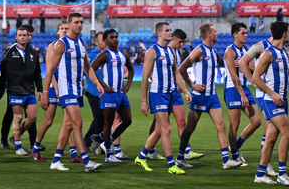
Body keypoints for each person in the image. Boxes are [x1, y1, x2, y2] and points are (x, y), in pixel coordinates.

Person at [175, 23, 243, 170]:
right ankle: (180, 157)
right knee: (190, 128)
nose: (217, 33)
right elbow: (181, 69)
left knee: (221, 125)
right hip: (199, 96)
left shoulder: (213, 51)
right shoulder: (199, 50)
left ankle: (226, 160)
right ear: (208, 34)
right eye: (215, 31)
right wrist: (192, 86)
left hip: (212, 96)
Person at [41, 13, 103, 172]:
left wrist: (97, 83)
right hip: (66, 90)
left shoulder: (82, 43)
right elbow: (49, 71)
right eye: (76, 22)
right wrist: (46, 92)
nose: (80, 25)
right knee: (78, 123)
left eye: (81, 22)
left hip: (77, 90)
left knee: (68, 125)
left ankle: (55, 161)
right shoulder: (61, 44)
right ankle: (87, 161)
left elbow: (87, 67)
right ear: (69, 25)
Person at [134, 22, 190, 175]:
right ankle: (172, 165)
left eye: (170, 30)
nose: (169, 32)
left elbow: (176, 73)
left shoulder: (171, 52)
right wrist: (144, 101)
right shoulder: (152, 51)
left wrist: (185, 90)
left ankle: (141, 157)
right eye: (166, 30)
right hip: (158, 94)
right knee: (167, 129)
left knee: (159, 130)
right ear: (159, 33)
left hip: (171, 93)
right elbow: (145, 77)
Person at [252, 21, 289, 186]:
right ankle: (282, 173)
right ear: (284, 34)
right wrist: (272, 94)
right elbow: (255, 78)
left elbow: (288, 74)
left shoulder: (284, 52)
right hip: (271, 101)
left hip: (283, 100)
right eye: (288, 32)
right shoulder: (268, 53)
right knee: (288, 133)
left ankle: (260, 174)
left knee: (271, 137)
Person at [0, 25, 42, 157]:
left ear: (28, 37)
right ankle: (18, 146)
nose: (22, 37)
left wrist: (40, 89)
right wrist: (6, 87)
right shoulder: (10, 52)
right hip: (15, 90)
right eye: (20, 35)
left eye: (24, 35)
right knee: (18, 118)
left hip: (29, 90)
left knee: (32, 118)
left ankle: (16, 135)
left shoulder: (33, 53)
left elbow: (37, 73)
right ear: (16, 37)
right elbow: (3, 69)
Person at [91, 29, 134, 163]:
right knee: (108, 122)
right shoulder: (105, 55)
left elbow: (131, 69)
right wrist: (103, 86)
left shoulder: (122, 54)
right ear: (105, 41)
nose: (115, 39)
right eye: (111, 37)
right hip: (109, 94)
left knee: (127, 120)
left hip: (121, 94)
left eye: (116, 37)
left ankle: (102, 139)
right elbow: (91, 69)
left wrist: (128, 85)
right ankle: (108, 154)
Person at [238, 31, 277, 177]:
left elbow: (254, 66)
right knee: (269, 129)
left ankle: (236, 147)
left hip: (274, 93)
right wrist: (253, 80)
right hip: (264, 92)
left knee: (270, 129)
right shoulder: (262, 46)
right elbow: (243, 62)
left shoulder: (280, 48)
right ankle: (265, 166)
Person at [29, 21, 70, 162]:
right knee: (48, 121)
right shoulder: (52, 46)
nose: (64, 30)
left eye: (67, 28)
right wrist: (56, 87)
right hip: (55, 87)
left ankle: (74, 153)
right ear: (58, 31)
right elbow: (49, 70)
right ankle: (35, 148)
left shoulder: (70, 45)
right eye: (62, 29)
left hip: (67, 86)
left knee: (69, 121)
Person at [224, 23, 262, 167]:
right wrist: (242, 95)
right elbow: (233, 76)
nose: (246, 35)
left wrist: (244, 64)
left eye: (246, 33)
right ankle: (234, 157)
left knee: (257, 121)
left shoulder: (246, 50)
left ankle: (236, 146)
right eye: (243, 33)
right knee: (235, 124)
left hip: (245, 87)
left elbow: (253, 67)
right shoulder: (230, 51)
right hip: (233, 89)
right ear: (235, 34)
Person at [84, 32, 107, 155]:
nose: (106, 42)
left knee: (100, 119)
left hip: (105, 91)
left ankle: (86, 141)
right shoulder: (91, 55)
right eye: (103, 40)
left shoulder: (108, 53)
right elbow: (87, 72)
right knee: (100, 120)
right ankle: (101, 146)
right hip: (95, 92)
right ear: (97, 42)